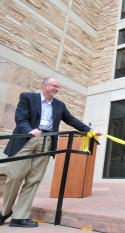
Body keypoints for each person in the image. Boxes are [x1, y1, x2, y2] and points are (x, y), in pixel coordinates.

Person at [0, 77, 102, 228]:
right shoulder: (28, 97)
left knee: (33, 180)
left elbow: (71, 120)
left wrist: (90, 131)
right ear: (45, 85)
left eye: (59, 87)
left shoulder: (59, 105)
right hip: (26, 139)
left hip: (46, 142)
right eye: (55, 86)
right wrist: (30, 130)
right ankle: (5, 212)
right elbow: (20, 118)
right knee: (15, 177)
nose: (57, 89)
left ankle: (20, 217)